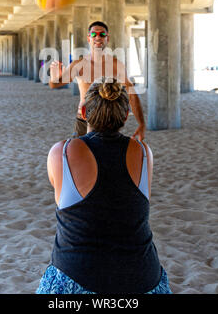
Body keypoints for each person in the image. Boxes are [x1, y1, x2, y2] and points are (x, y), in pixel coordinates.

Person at [36, 77, 172, 294]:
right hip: (143, 280)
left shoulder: (62, 152)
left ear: (83, 112)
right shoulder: (144, 152)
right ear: (126, 115)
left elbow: (62, 199)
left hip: (76, 277)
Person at [49, 21, 146, 141]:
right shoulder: (78, 65)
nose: (98, 37)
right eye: (94, 34)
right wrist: (54, 77)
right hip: (84, 120)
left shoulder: (116, 65)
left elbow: (132, 94)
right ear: (89, 38)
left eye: (102, 34)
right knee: (81, 156)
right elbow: (54, 84)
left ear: (107, 38)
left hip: (110, 122)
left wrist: (141, 123)